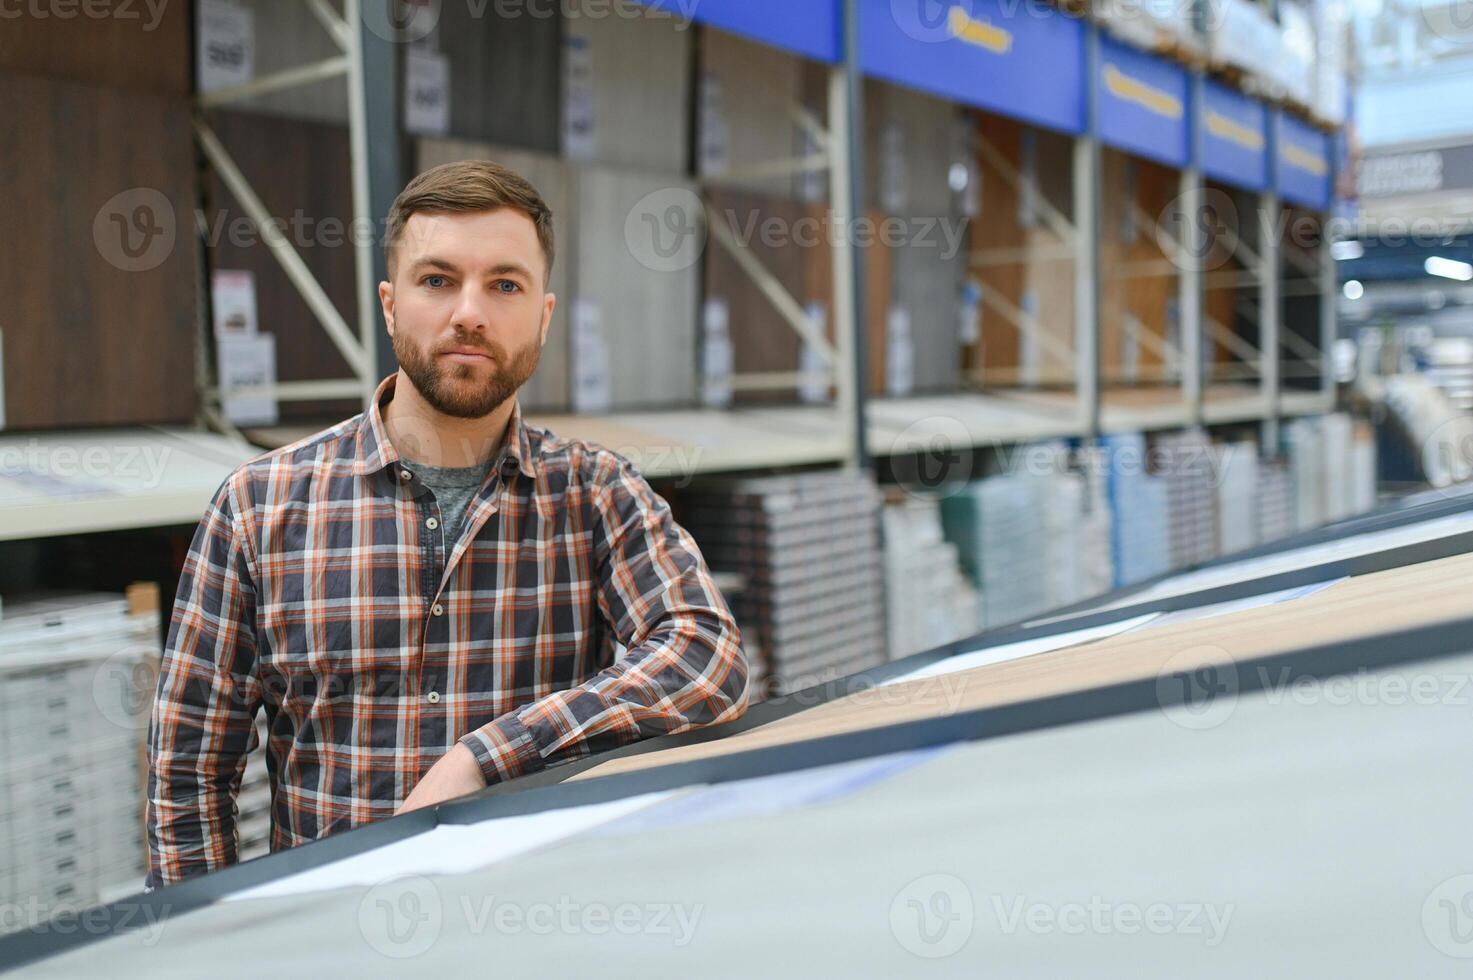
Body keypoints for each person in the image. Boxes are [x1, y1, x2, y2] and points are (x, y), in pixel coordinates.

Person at [146, 160, 749, 889]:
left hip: (539, 930)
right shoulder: (258, 508)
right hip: (332, 943)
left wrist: (487, 757)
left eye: (504, 284)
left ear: (544, 316)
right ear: (390, 303)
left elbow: (705, 658)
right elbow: (187, 775)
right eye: (437, 281)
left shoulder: (596, 494)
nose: (471, 311)